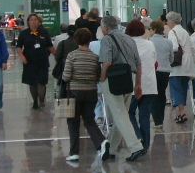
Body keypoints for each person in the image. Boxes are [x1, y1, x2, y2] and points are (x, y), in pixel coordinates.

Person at [98, 14, 147, 162]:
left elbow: (106, 62)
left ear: (106, 27)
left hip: (112, 79)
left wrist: (101, 79)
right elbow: (138, 63)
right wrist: (138, 84)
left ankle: (136, 146)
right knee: (123, 114)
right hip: (128, 78)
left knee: (119, 115)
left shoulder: (106, 40)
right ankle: (111, 148)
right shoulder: (128, 38)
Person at [61, 27, 108, 162]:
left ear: (76, 40)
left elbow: (66, 76)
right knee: (89, 120)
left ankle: (74, 152)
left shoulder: (72, 55)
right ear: (89, 40)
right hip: (91, 92)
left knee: (73, 121)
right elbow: (97, 76)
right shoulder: (94, 57)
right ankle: (101, 142)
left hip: (75, 92)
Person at [126, 19, 157, 151]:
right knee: (145, 114)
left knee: (129, 112)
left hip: (133, 84)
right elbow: (155, 61)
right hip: (149, 84)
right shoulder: (150, 44)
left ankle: (138, 136)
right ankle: (146, 145)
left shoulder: (127, 45)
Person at [16, 13, 55, 109]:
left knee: (42, 81)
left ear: (39, 22)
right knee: (32, 82)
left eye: (35, 20)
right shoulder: (24, 33)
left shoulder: (44, 32)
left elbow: (49, 45)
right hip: (29, 61)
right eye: (31, 20)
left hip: (42, 60)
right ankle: (35, 101)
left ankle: (42, 100)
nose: (33, 22)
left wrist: (57, 55)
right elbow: (19, 46)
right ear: (28, 22)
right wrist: (21, 56)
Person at [166, 11, 195, 123]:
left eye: (168, 21)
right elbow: (192, 48)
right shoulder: (184, 31)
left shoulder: (172, 32)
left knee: (176, 88)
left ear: (172, 21)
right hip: (187, 64)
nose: (167, 23)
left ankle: (182, 113)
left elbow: (174, 47)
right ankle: (182, 112)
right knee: (183, 88)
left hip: (177, 64)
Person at [148, 20, 173, 128]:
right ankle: (161, 118)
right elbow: (171, 58)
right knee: (162, 94)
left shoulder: (149, 42)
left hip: (153, 71)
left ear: (153, 29)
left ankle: (157, 120)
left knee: (153, 95)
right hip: (165, 71)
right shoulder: (168, 42)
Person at [52, 25, 78, 95]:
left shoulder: (62, 43)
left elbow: (57, 56)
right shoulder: (79, 43)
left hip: (65, 68)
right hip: (78, 68)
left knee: (63, 86)